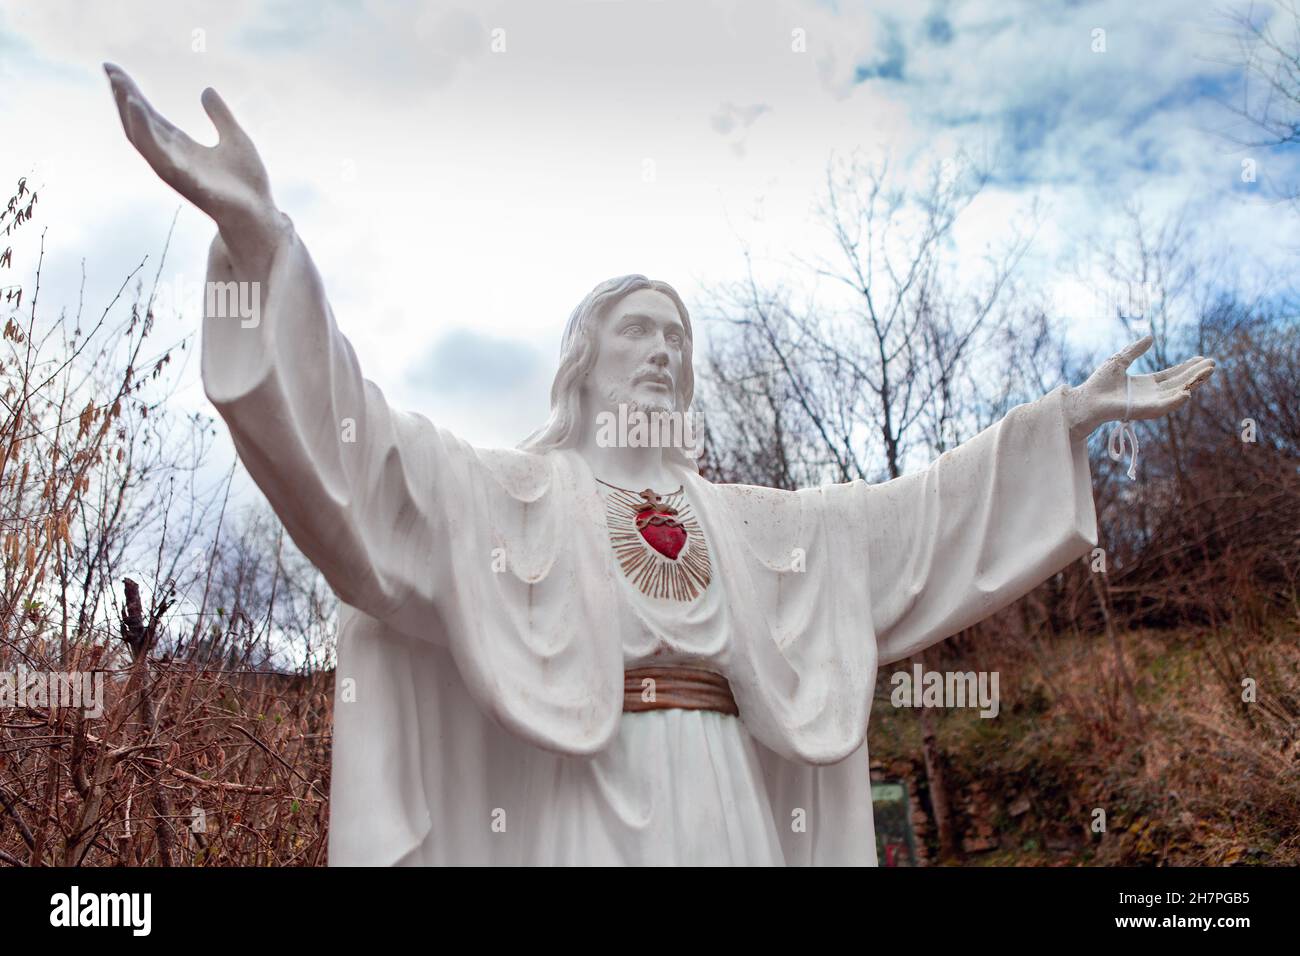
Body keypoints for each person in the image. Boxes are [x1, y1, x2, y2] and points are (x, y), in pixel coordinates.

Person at [104, 64, 1216, 865]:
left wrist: (1061, 422)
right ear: (583, 365)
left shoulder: (759, 526)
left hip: (732, 805)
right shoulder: (512, 496)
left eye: (678, 338)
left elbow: (919, 521)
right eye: (640, 330)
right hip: (581, 805)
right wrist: (265, 247)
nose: (665, 351)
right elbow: (362, 459)